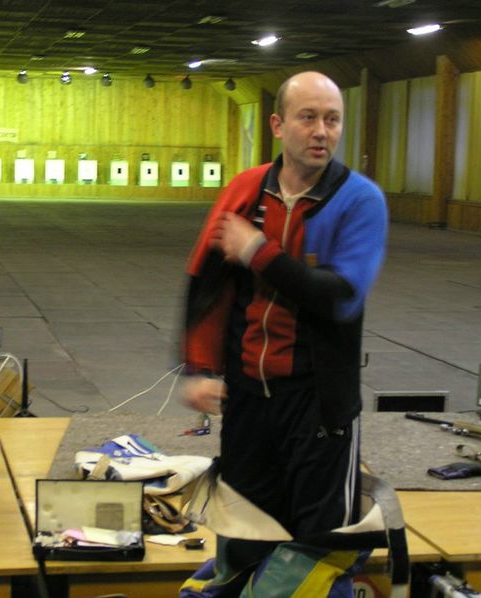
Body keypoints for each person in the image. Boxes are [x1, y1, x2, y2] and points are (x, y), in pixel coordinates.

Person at [179, 71, 387, 595]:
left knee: (322, 543)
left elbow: (339, 296)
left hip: (317, 404)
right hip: (249, 399)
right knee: (243, 530)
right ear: (278, 125)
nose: (321, 131)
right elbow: (207, 282)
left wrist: (258, 251)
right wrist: (201, 366)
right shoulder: (245, 190)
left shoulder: (359, 201)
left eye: (333, 120)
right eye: (308, 117)